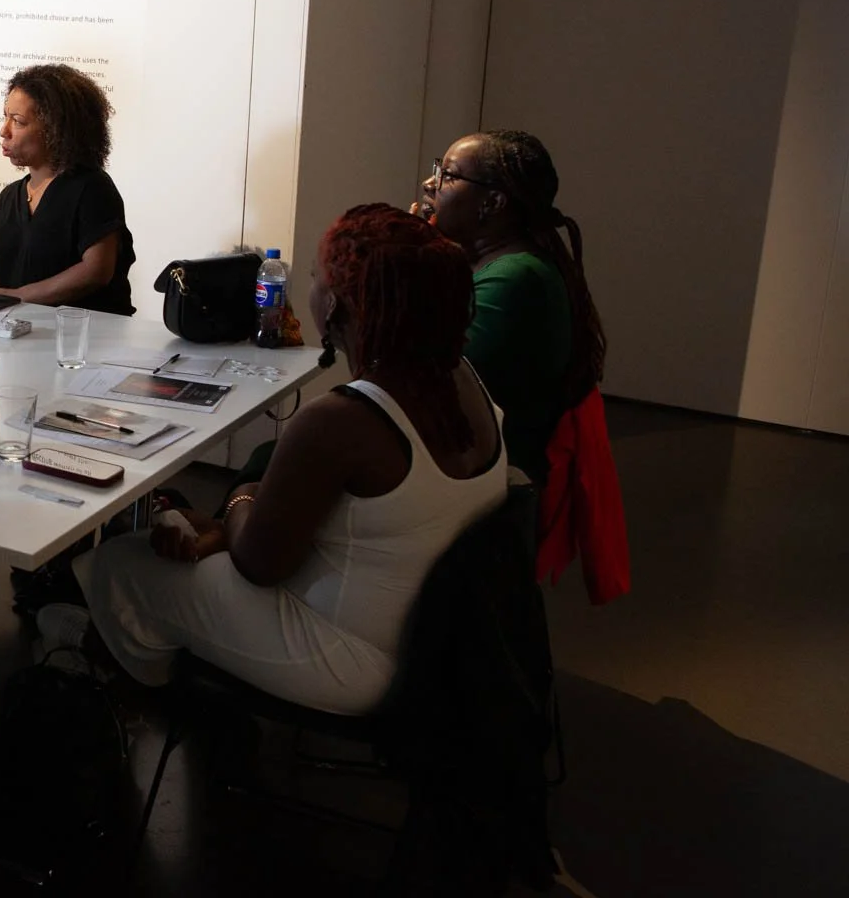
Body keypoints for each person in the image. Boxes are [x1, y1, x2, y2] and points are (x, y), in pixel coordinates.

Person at [45, 205, 506, 715]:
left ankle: (131, 680)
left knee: (121, 563)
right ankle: (136, 651)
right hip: (432, 640)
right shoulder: (463, 381)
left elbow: (257, 563)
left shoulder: (345, 419)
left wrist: (241, 499)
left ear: (335, 305)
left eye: (313, 276)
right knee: (186, 553)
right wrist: (226, 527)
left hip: (348, 659)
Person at [415, 130, 606, 483]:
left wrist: (399, 270)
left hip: (494, 478)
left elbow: (421, 383)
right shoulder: (499, 263)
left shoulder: (515, 279)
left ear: (493, 203)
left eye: (448, 175)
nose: (430, 184)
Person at [0, 63, 135, 315]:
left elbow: (96, 271)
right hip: (14, 329)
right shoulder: (10, 195)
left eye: (17, 121)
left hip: (83, 333)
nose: (3, 131)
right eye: (5, 116)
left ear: (55, 130)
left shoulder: (92, 189)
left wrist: (17, 298)